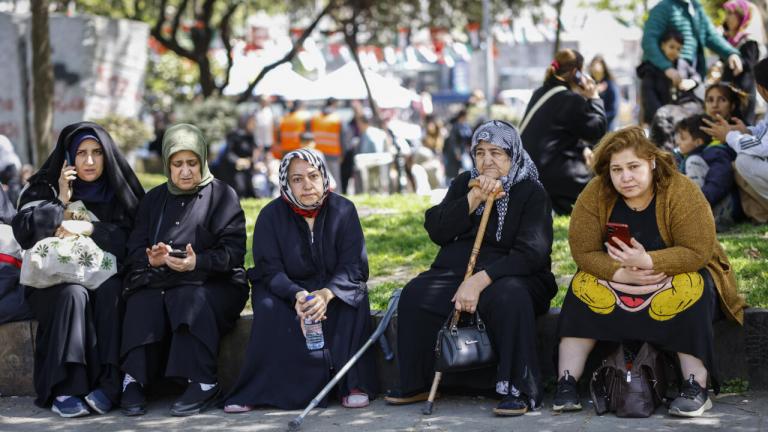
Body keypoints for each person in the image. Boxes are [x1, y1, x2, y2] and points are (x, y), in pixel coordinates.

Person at [553, 126, 745, 418]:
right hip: (619, 280)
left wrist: (650, 261)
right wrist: (620, 274)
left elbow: (699, 250)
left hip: (674, 275)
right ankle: (566, 382)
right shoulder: (595, 192)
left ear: (652, 162)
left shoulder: (680, 190)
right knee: (581, 287)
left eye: (633, 167)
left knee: (695, 287)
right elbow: (583, 252)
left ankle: (695, 386)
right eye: (617, 170)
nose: (625, 177)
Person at [386, 121, 557, 416]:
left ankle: (519, 389)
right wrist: (473, 198)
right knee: (416, 294)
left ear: (513, 154)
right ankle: (418, 382)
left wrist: (479, 281)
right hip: (457, 271)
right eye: (480, 152)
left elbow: (532, 253)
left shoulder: (531, 191)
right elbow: (437, 229)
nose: (487, 160)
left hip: (514, 273)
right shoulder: (465, 181)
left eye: (496, 152)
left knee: (509, 297)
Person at [223, 148, 377, 412]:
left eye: (313, 176)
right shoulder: (270, 216)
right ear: (285, 182)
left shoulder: (343, 210)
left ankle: (352, 383)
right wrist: (298, 295)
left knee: (354, 297)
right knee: (270, 308)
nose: (307, 185)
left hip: (331, 289)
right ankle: (261, 390)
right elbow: (269, 269)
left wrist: (326, 294)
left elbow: (354, 265)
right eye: (297, 179)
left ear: (323, 177)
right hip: (286, 291)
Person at [11, 122, 145, 417]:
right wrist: (60, 200)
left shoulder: (118, 190)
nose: (88, 161)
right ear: (68, 156)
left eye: (97, 153)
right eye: (81, 153)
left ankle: (110, 385)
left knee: (111, 289)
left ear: (107, 156)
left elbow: (134, 238)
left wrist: (88, 228)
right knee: (74, 294)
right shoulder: (43, 186)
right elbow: (24, 231)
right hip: (52, 283)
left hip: (104, 276)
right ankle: (66, 387)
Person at [119, 124, 248, 417]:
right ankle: (135, 378)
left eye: (192, 163)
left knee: (186, 295)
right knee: (143, 299)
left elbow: (234, 254)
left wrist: (196, 262)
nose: (186, 171)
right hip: (161, 277)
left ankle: (203, 382)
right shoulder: (153, 200)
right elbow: (134, 248)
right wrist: (151, 259)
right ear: (167, 164)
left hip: (215, 282)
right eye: (178, 164)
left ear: (203, 161)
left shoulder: (222, 195)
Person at [521, 49, 607, 215]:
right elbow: (597, 131)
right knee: (602, 187)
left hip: (532, 174)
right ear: (576, 73)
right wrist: (594, 98)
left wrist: (582, 148)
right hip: (557, 177)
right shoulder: (569, 99)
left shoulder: (539, 93)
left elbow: (553, 133)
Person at [702, 58, 768, 223]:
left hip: (715, 194)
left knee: (743, 160)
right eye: (710, 100)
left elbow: (763, 147)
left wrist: (729, 137)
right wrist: (746, 131)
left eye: (722, 100)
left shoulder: (729, 140)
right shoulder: (696, 127)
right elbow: (764, 131)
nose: (715, 105)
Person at [640, 0, 743, 96]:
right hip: (663, 76)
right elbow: (649, 41)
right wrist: (667, 67)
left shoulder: (696, 8)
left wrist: (730, 53)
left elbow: (710, 35)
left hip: (690, 73)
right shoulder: (663, 8)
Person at [674, 115, 740, 230]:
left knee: (693, 162)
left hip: (723, 207)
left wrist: (697, 203)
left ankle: (699, 217)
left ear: (698, 142)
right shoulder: (684, 157)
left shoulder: (715, 153)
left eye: (683, 138)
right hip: (708, 206)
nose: (678, 142)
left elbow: (719, 183)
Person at [637, 29, 701, 125]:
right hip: (658, 121)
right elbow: (649, 99)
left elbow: (696, 76)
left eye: (678, 49)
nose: (675, 51)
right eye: (671, 47)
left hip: (680, 120)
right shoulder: (651, 69)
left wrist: (692, 82)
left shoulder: (682, 64)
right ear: (663, 45)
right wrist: (665, 118)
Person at [720, 0, 763, 125]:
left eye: (730, 13)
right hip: (728, 89)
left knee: (742, 127)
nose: (727, 18)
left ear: (741, 16)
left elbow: (751, 63)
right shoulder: (728, 38)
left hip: (743, 92)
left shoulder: (749, 39)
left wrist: (736, 60)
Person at [214, 114, 259, 198]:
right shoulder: (234, 135)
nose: (254, 124)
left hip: (246, 170)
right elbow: (228, 153)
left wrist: (254, 161)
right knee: (240, 189)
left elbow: (252, 153)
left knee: (250, 192)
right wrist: (238, 160)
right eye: (252, 122)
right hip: (232, 171)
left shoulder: (250, 136)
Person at [310, 98, 344, 186]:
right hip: (333, 153)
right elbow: (343, 138)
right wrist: (342, 154)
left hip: (318, 153)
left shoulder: (315, 117)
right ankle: (336, 197)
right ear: (334, 104)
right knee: (335, 179)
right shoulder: (337, 118)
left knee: (320, 178)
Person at [589, 55, 621, 130]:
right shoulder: (589, 85)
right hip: (593, 130)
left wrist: (597, 120)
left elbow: (614, 110)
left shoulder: (611, 85)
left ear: (603, 68)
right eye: (593, 66)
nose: (594, 69)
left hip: (607, 129)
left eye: (597, 66)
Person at [443, 110, 473, 183]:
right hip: (456, 151)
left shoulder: (466, 126)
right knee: (453, 171)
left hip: (464, 151)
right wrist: (457, 152)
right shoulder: (455, 126)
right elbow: (453, 141)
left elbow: (469, 138)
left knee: (468, 167)